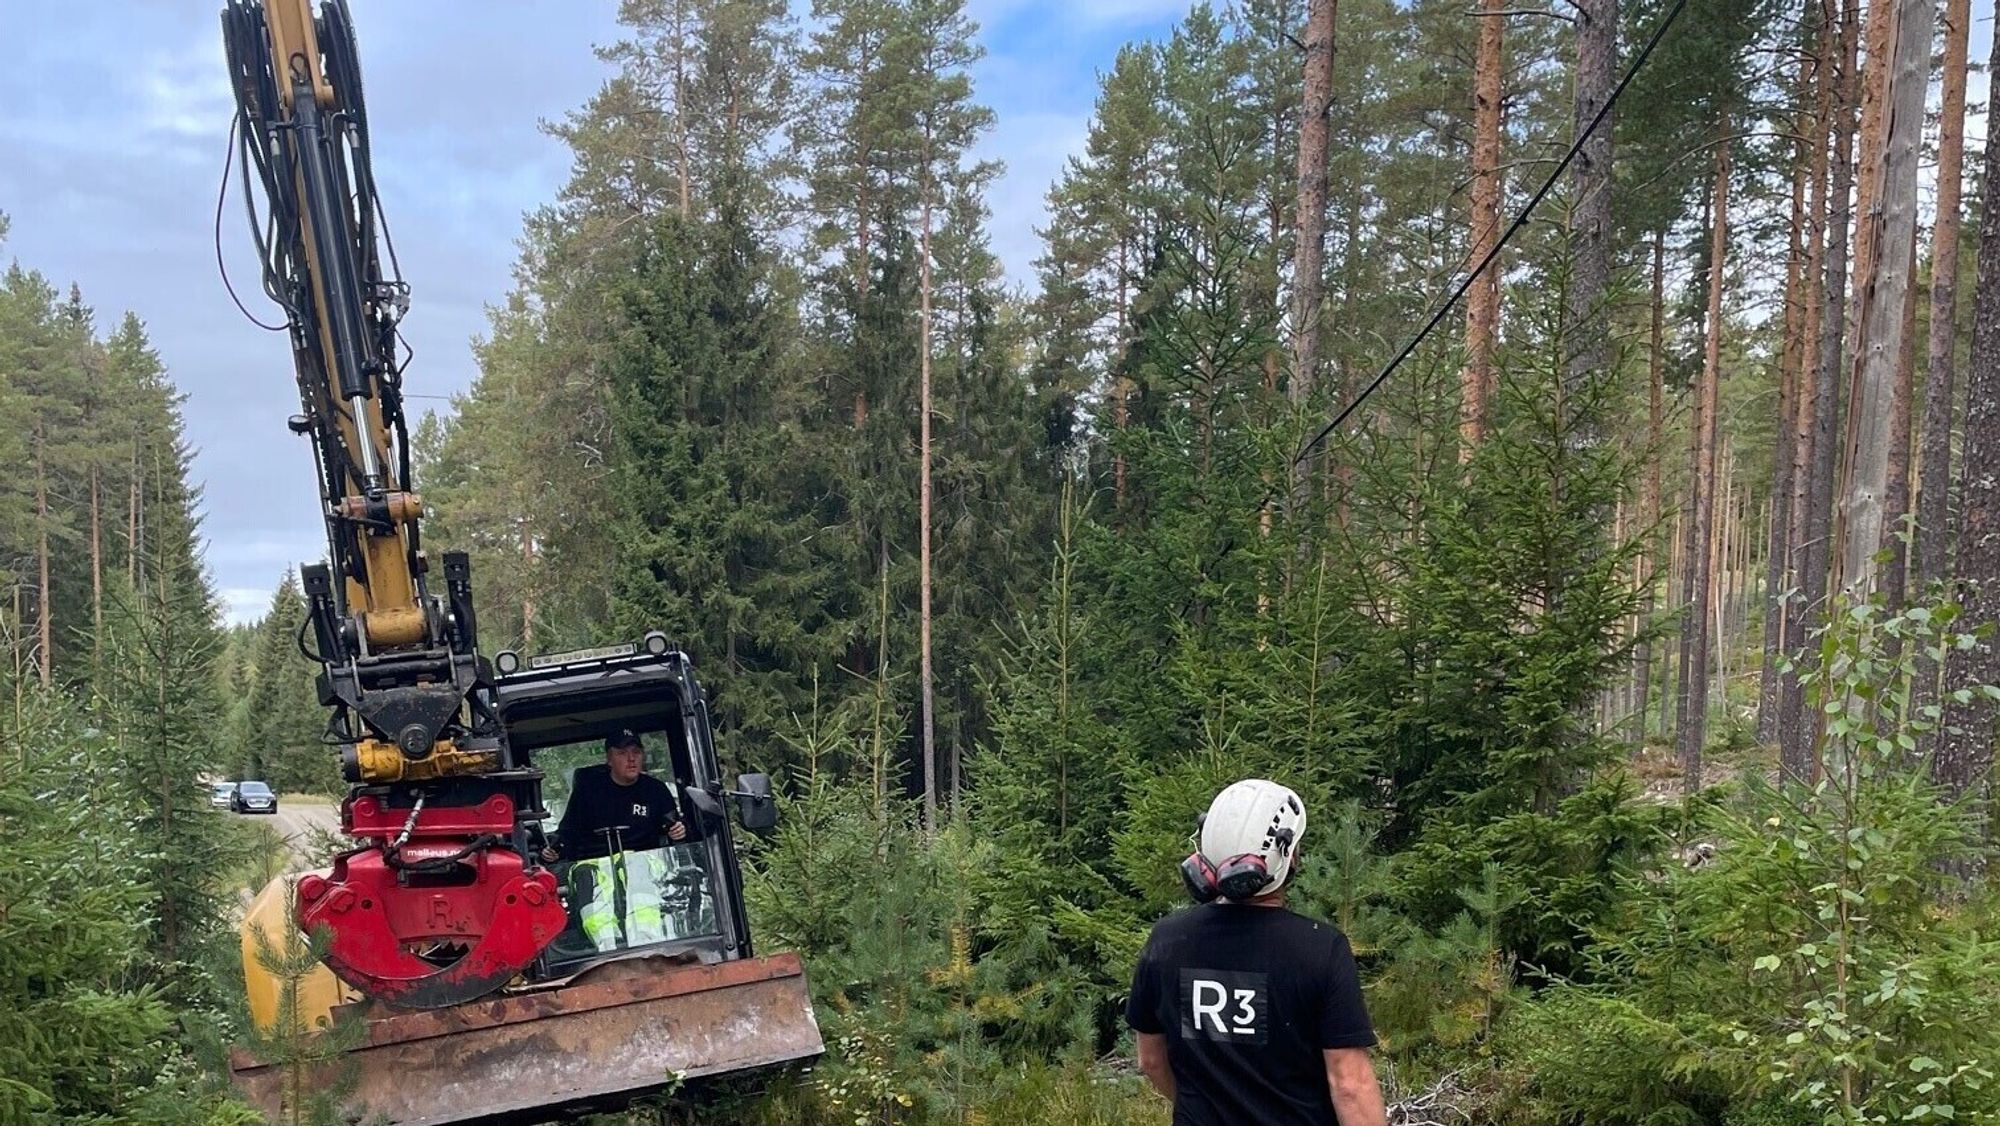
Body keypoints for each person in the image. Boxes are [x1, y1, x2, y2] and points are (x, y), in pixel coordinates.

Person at [1125, 779, 1388, 1126]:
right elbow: (1350, 1085)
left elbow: (1151, 1061)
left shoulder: (1166, 941)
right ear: (1286, 855)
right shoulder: (1321, 949)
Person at [544, 730, 694, 862]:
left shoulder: (656, 790)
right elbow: (568, 832)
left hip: (647, 869)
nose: (631, 759)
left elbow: (674, 824)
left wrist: (680, 830)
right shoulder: (587, 791)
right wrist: (555, 850)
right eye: (622, 753)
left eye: (636, 752)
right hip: (597, 870)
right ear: (609, 760)